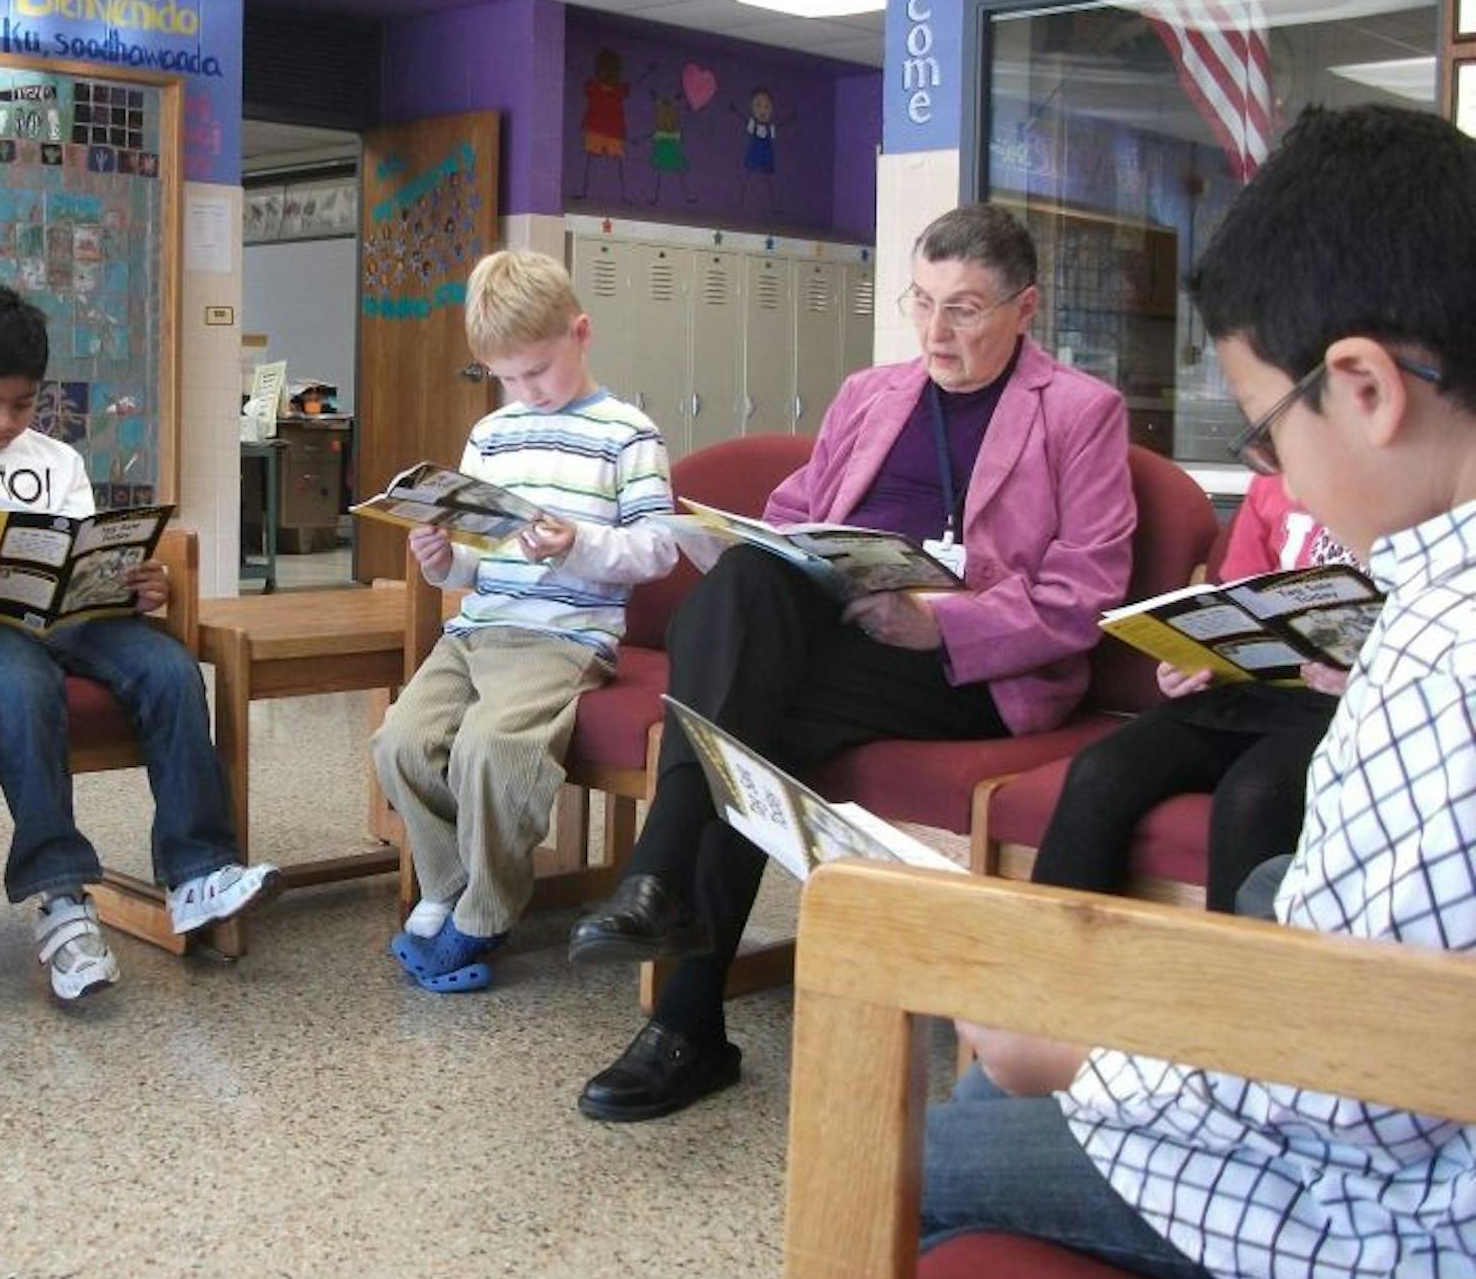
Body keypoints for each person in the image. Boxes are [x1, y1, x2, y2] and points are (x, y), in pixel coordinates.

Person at [925, 103, 1476, 1279]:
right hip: (1402, 1107)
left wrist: (1077, 1056)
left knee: (954, 1143)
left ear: (1368, 388)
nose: (1274, 467)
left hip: (1409, 1223)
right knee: (1273, 870)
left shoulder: (1440, 649)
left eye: (1266, 431)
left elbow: (1373, 1083)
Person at [566, 202, 1136, 1120]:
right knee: (749, 587)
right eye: (923, 302)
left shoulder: (1080, 412)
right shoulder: (872, 395)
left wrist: (942, 626)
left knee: (756, 705)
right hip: (843, 634)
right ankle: (681, 984)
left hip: (971, 671)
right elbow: (793, 517)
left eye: (967, 309)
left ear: (1025, 309)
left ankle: (677, 965)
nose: (936, 332)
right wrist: (750, 545)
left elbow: (1089, 594)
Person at [0, 286, 277, 1001]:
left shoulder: (57, 460)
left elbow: (84, 553)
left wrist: (136, 585)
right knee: (21, 686)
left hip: (69, 616)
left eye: (23, 403)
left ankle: (196, 870)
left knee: (167, 665)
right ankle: (61, 898)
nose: (6, 421)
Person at [372, 250, 677, 992]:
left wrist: (579, 545)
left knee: (490, 749)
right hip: (479, 626)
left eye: (537, 370)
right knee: (398, 743)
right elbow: (474, 560)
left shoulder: (627, 435)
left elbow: (659, 549)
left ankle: (487, 911)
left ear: (581, 333)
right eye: (506, 378)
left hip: (564, 635)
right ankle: (449, 883)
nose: (524, 391)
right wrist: (440, 557)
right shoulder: (493, 435)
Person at [1031, 473, 1353, 915]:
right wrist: (1190, 658)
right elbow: (1235, 600)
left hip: (1348, 708)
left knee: (1255, 794)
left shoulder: (1426, 487)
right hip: (1254, 690)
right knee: (1099, 769)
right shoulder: (1272, 485)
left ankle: (1230, 978)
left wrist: (1372, 675)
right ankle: (1053, 962)